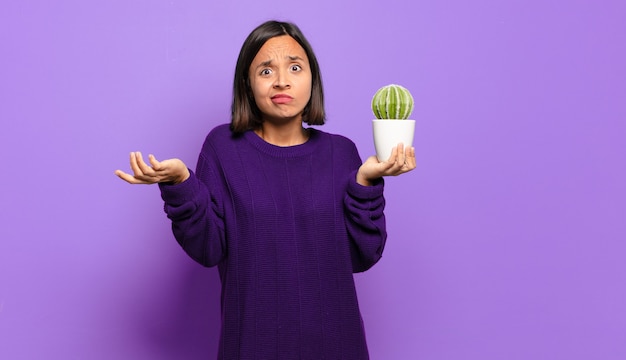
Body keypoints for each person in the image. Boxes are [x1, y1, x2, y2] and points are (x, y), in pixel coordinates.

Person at [115, 20, 416, 359]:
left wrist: (365, 184)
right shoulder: (222, 148)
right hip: (251, 346)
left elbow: (364, 255)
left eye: (295, 67)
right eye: (266, 71)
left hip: (337, 346)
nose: (282, 81)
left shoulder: (342, 153)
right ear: (247, 83)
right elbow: (209, 248)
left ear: (312, 79)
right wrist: (181, 184)